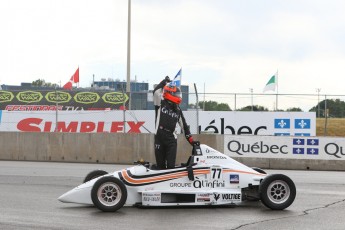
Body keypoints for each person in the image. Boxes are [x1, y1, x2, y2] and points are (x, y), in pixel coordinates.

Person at [153, 80, 196, 169]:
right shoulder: (160, 103)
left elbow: (184, 126)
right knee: (160, 166)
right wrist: (164, 82)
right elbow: (156, 92)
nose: (178, 96)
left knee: (170, 167)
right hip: (159, 137)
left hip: (171, 140)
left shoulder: (178, 109)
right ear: (169, 93)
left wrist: (191, 141)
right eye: (176, 94)